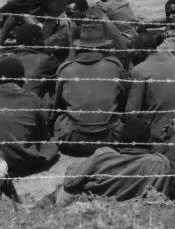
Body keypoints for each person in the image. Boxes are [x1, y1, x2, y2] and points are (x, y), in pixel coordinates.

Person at [52, 23, 128, 156]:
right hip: (110, 140)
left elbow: (57, 106)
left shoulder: (65, 70)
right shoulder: (115, 67)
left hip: (74, 143)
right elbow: (123, 100)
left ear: (78, 46)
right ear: (103, 45)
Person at [0, 57, 59, 177]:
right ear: (21, 79)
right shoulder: (32, 98)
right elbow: (43, 136)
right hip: (26, 162)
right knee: (52, 146)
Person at [58, 119, 172, 204]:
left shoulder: (103, 156)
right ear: (149, 141)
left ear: (121, 140)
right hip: (137, 209)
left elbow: (69, 182)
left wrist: (74, 167)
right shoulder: (160, 163)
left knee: (63, 191)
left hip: (98, 206)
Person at [125, 31, 175, 142]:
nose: (131, 56)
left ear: (140, 52)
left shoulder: (140, 71)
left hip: (157, 137)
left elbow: (131, 114)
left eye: (132, 53)